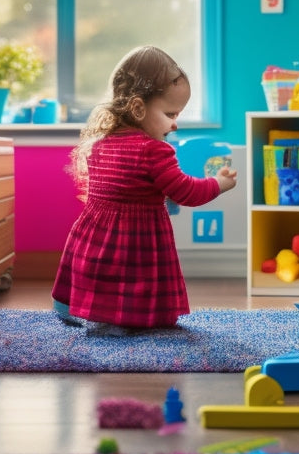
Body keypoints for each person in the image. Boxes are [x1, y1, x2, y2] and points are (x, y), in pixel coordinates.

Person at [51, 45, 237, 329]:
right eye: (170, 114)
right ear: (138, 108)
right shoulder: (153, 150)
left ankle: (74, 305)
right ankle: (118, 320)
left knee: (102, 274)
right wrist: (219, 184)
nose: (175, 124)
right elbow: (185, 191)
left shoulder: (100, 144)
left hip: (95, 235)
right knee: (130, 279)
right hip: (133, 239)